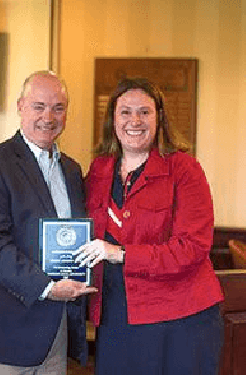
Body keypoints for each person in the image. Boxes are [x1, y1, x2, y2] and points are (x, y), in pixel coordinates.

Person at [75, 78, 224, 375]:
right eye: (125, 112)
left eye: (144, 112)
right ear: (112, 119)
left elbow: (192, 248)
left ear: (159, 118)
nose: (135, 121)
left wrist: (122, 254)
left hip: (179, 317)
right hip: (115, 314)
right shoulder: (99, 170)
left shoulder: (184, 168)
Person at [0, 70, 97, 375]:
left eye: (58, 107)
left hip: (56, 333)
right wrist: (48, 288)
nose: (48, 116)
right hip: (4, 333)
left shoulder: (73, 171)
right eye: (39, 106)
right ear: (20, 106)